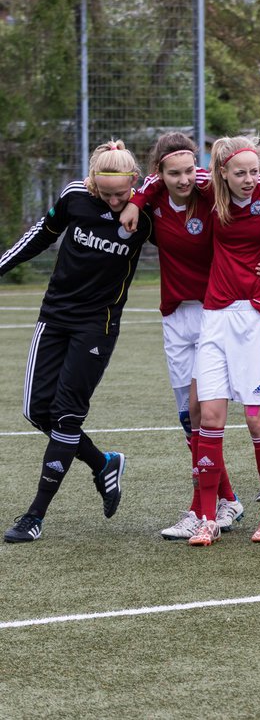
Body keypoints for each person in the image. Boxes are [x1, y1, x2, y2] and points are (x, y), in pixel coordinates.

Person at [122, 135, 260, 545]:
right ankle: (207, 516)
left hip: (255, 316)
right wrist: (135, 199)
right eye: (240, 172)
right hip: (213, 316)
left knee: (258, 418)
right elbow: (160, 179)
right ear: (222, 173)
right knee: (208, 417)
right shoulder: (209, 188)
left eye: (254, 171)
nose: (249, 179)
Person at [1, 141, 146, 543]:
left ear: (134, 182)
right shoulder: (74, 197)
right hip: (54, 317)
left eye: (123, 193)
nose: (116, 201)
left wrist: (143, 197)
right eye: (107, 193)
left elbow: (183, 191)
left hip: (96, 326)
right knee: (36, 411)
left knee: (66, 416)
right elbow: (39, 236)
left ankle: (34, 515)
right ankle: (103, 463)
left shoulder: (147, 209)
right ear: (93, 183)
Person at [143, 133, 250, 541]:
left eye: (189, 170)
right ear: (161, 175)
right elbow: (140, 190)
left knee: (203, 414)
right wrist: (139, 199)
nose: (184, 179)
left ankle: (197, 508)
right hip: (175, 314)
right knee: (187, 420)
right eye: (175, 173)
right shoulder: (152, 201)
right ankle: (227, 498)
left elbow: (223, 178)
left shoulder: (210, 195)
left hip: (212, 312)